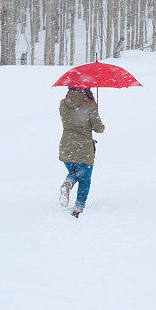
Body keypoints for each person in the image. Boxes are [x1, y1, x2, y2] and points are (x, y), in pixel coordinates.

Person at [58, 86, 105, 218]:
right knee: (84, 179)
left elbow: (70, 122)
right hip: (83, 148)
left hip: (66, 146)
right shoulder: (90, 105)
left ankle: (68, 183)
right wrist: (101, 124)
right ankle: (78, 208)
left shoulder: (63, 104)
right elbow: (98, 129)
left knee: (74, 173)